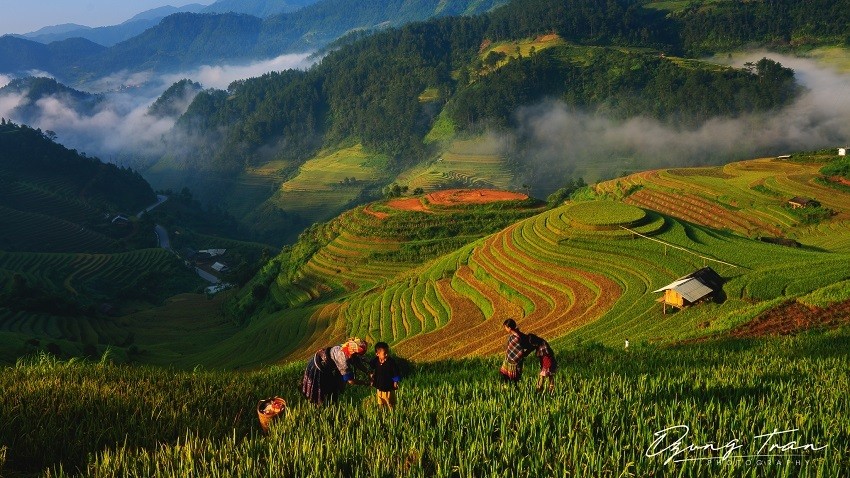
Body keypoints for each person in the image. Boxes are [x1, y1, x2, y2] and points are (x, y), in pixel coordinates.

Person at [301, 337, 369, 405]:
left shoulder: (346, 347)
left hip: (328, 365)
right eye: (357, 354)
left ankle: (332, 401)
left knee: (332, 388)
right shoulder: (343, 359)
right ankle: (320, 406)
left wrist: (368, 372)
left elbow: (356, 361)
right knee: (320, 391)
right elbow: (350, 380)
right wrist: (366, 383)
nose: (358, 356)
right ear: (353, 352)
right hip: (317, 367)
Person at [369, 341, 401, 409]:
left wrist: (395, 382)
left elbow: (396, 372)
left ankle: (392, 415)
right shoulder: (376, 360)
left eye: (387, 353)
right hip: (379, 385)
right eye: (385, 353)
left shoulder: (391, 362)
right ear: (377, 354)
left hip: (388, 386)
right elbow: (371, 365)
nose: (387, 355)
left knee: (389, 403)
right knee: (380, 402)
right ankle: (382, 414)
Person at [499, 319, 531, 384]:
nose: (505, 329)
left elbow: (525, 347)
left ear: (509, 328)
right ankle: (509, 389)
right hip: (509, 360)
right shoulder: (517, 334)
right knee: (507, 377)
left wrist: (524, 354)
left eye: (505, 327)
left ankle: (513, 390)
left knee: (514, 380)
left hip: (515, 362)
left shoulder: (517, 337)